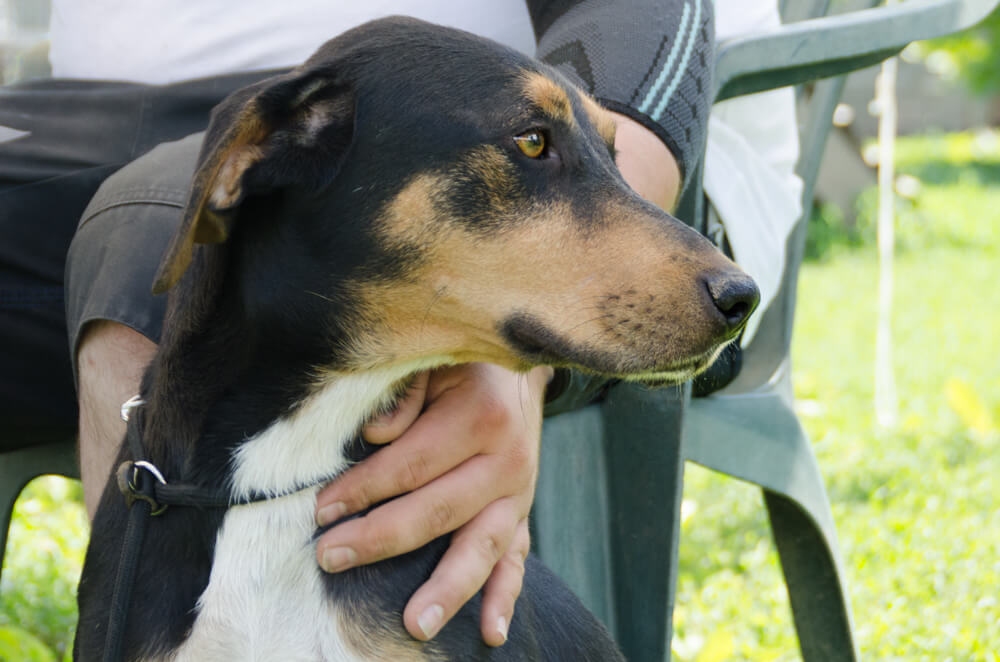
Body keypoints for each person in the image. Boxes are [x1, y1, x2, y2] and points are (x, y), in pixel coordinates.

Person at [1, 0, 717, 646]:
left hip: (409, 116)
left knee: (137, 250)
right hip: (91, 118)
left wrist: (513, 363)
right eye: (537, 144)